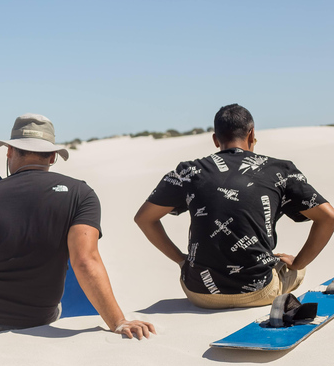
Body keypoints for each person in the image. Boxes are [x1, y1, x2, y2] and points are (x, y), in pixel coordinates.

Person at [0, 113, 155, 339]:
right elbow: (85, 261)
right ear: (53, 157)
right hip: (39, 319)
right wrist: (118, 321)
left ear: (9, 151)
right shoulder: (81, 195)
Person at [134, 104, 334, 308]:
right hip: (259, 292)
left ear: (215, 139)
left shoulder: (189, 171)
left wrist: (181, 261)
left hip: (199, 293)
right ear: (252, 134)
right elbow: (329, 217)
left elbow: (144, 218)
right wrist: (299, 263)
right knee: (297, 268)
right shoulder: (280, 170)